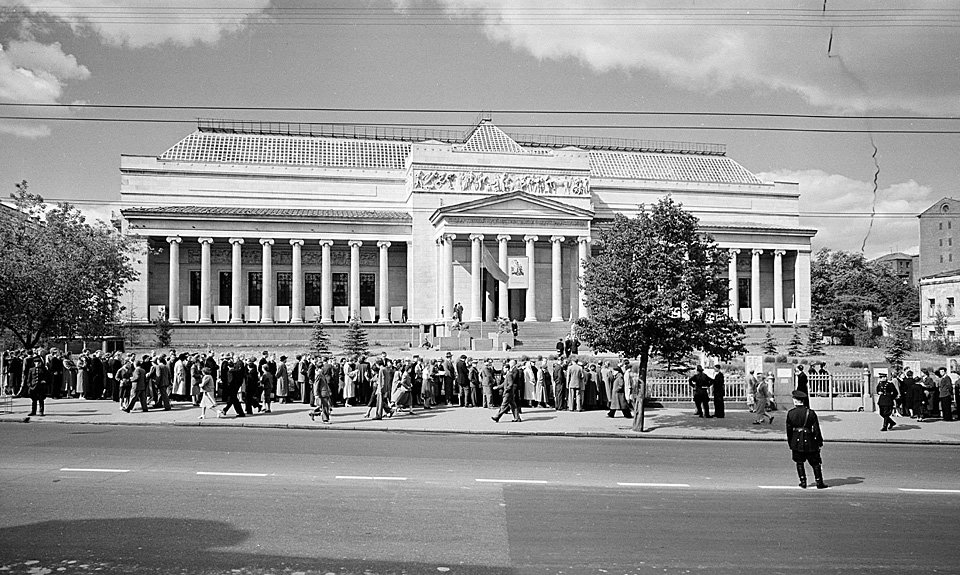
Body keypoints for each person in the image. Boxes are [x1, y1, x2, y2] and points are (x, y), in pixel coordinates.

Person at [786, 390, 827, 489]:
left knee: (799, 462)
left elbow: (789, 430)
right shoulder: (811, 413)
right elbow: (816, 429)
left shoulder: (791, 413)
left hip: (796, 441)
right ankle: (819, 482)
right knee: (815, 463)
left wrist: (790, 442)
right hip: (810, 441)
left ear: (795, 401)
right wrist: (819, 441)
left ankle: (803, 481)